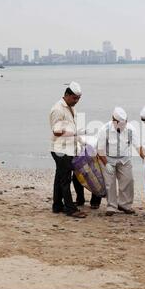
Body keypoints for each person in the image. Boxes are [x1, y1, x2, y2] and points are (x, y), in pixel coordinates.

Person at [97, 107, 145, 216]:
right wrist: (106, 164)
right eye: (120, 124)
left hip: (124, 159)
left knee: (128, 180)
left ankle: (125, 205)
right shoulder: (104, 130)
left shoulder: (131, 129)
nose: (123, 126)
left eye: (125, 123)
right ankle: (111, 206)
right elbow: (100, 150)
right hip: (107, 158)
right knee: (110, 183)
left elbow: (138, 146)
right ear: (114, 120)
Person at [49, 81, 87, 218]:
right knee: (65, 179)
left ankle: (57, 205)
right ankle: (70, 209)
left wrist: (80, 139)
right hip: (60, 149)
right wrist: (74, 134)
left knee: (59, 177)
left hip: (69, 147)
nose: (76, 101)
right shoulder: (58, 109)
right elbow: (56, 131)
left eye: (78, 99)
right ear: (66, 95)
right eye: (74, 98)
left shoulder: (71, 107)